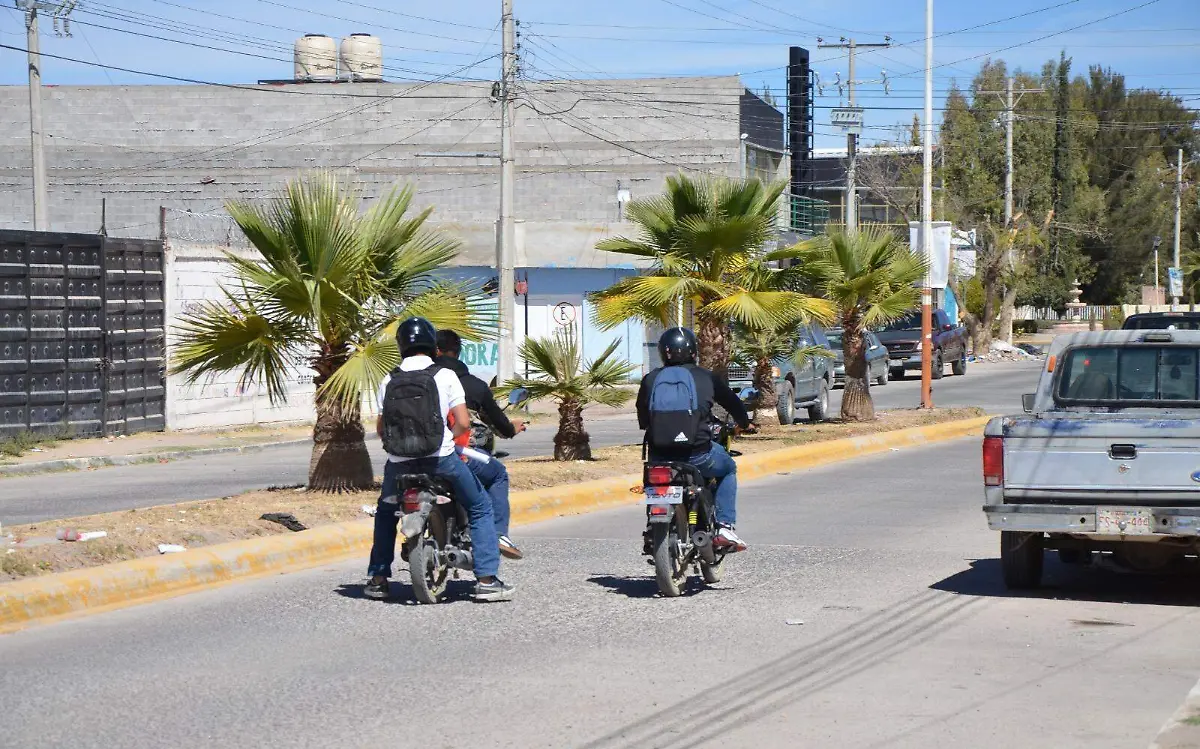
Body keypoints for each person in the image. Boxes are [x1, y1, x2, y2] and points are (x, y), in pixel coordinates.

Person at [364, 317, 514, 602]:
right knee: (480, 506)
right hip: (441, 460)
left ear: (401, 346)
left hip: (399, 463)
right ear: (433, 346)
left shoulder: (389, 379)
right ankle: (486, 580)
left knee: (385, 513)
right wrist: (448, 439)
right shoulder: (444, 375)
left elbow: (382, 429)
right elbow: (463, 423)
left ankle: (378, 579)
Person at [636, 327, 754, 552]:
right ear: (693, 351)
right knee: (728, 468)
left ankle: (652, 527)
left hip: (659, 455)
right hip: (698, 454)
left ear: (662, 352)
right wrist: (744, 423)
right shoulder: (705, 377)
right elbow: (733, 403)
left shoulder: (651, 379)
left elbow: (643, 419)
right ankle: (724, 527)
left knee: (655, 482)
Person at [435, 329, 527, 560]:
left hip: (412, 457)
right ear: (458, 352)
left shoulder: (418, 380)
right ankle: (498, 535)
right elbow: (494, 421)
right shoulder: (471, 385)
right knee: (498, 474)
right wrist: (510, 429)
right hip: (458, 453)